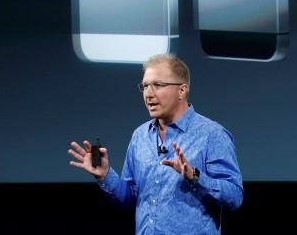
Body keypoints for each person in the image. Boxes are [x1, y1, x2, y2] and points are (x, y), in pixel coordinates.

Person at [68, 54, 243, 233]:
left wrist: (195, 176)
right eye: (144, 86)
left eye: (158, 85)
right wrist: (105, 175)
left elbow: (235, 197)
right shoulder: (140, 136)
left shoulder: (212, 134)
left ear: (182, 90)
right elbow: (130, 199)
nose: (149, 94)